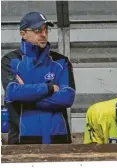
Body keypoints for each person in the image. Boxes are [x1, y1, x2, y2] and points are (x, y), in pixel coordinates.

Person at [1, 11, 76, 144]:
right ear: (23, 33)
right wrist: (49, 88)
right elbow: (12, 92)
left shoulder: (61, 62)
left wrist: (26, 98)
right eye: (37, 30)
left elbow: (67, 97)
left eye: (46, 30)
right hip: (22, 140)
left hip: (59, 139)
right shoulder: (10, 60)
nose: (43, 34)